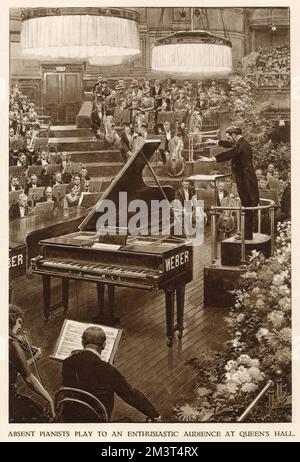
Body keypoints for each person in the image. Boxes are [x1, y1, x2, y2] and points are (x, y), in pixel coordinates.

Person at [62, 326, 160, 422]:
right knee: (128, 421)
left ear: (82, 343)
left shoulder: (67, 362)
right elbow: (130, 394)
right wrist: (154, 414)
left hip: (69, 417)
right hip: (96, 420)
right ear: (104, 345)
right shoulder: (108, 370)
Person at [200, 126, 259, 240]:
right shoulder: (241, 142)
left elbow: (230, 153)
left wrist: (211, 159)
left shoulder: (241, 145)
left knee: (248, 207)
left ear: (234, 135)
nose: (229, 140)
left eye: (229, 137)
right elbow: (229, 144)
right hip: (244, 179)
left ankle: (247, 235)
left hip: (246, 181)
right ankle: (247, 234)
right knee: (247, 206)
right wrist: (215, 142)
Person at [9, 304, 55, 422]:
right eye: (19, 322)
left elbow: (12, 370)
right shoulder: (12, 345)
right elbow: (29, 380)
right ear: (11, 320)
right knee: (44, 417)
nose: (20, 327)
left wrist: (32, 359)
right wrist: (49, 399)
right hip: (7, 399)